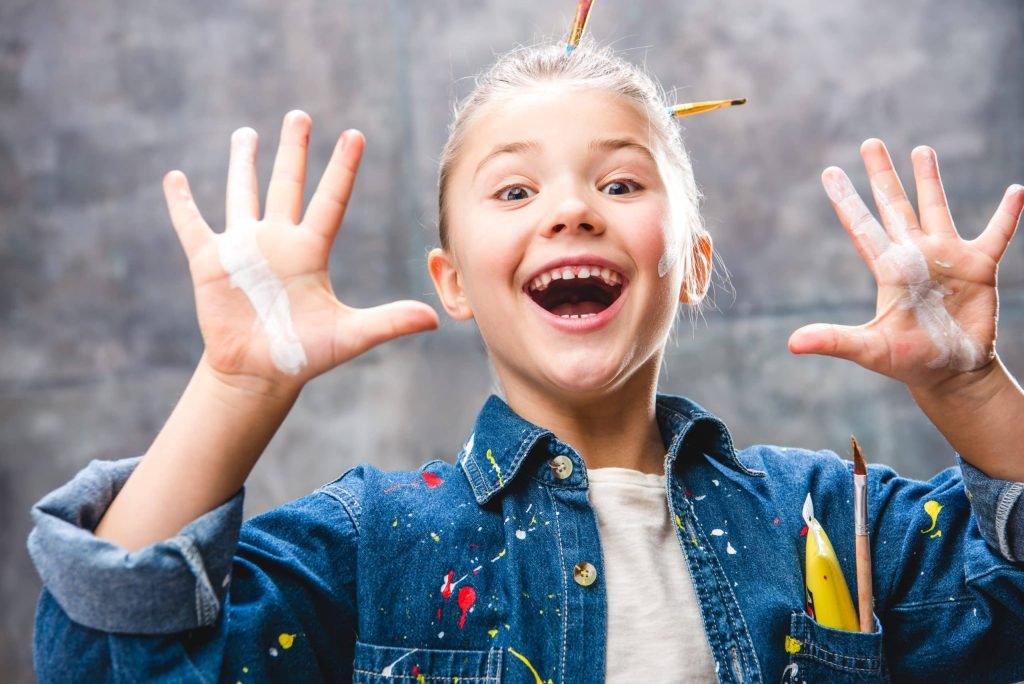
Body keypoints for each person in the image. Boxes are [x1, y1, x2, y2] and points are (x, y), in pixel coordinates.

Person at [28, 41, 1024, 683]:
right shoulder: (373, 546)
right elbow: (105, 660)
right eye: (512, 193)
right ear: (454, 279)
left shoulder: (834, 518)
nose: (569, 208)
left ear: (691, 264)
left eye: (620, 180)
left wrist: (971, 388)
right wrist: (236, 385)